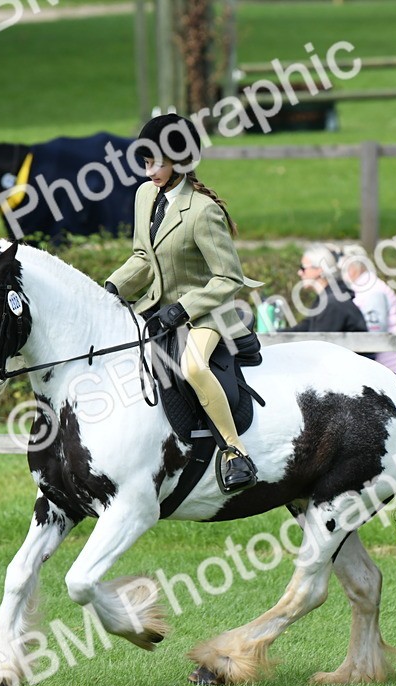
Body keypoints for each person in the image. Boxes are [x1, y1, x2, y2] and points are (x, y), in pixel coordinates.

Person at [105, 113, 262, 492]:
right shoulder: (145, 197)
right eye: (145, 163)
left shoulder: (204, 211)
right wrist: (111, 287)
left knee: (193, 367)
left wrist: (183, 309)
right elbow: (144, 257)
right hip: (160, 306)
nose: (150, 172)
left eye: (157, 163)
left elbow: (228, 277)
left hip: (209, 310)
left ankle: (234, 452)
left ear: (181, 161)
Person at [340, 244, 396, 373]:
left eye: (344, 268)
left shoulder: (372, 290)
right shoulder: (366, 287)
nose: (342, 274)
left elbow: (375, 333)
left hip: (389, 364)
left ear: (354, 267)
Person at [286, 244, 367, 336]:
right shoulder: (329, 298)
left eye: (303, 268)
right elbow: (303, 328)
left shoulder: (333, 303)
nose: (299, 272)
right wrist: (270, 334)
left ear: (320, 269)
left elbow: (317, 345)